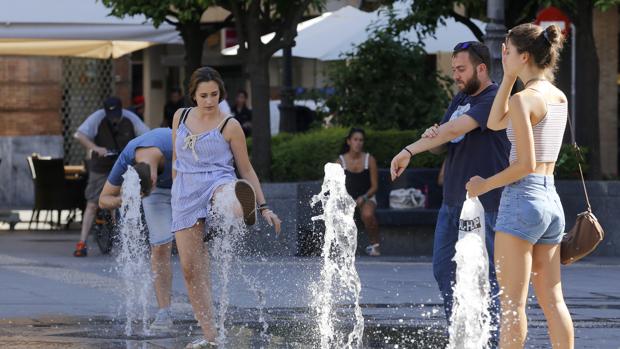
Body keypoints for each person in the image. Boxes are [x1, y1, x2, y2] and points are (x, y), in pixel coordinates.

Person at [390, 41, 510, 346]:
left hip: (487, 205)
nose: (455, 75)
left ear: (481, 68)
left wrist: (409, 149)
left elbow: (455, 130)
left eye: (461, 69)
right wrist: (434, 136)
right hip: (452, 203)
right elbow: (446, 138)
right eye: (453, 69)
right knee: (444, 270)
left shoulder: (494, 98)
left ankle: (491, 341)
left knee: (489, 279)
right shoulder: (460, 98)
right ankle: (461, 334)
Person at [466, 24, 572, 349]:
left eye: (507, 51)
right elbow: (496, 121)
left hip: (523, 199)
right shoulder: (558, 96)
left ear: (523, 55)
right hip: (551, 201)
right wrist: (510, 76)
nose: (503, 56)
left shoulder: (525, 100)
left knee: (512, 306)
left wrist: (485, 185)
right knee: (553, 300)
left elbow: (524, 164)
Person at [171, 66, 281, 348]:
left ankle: (241, 210)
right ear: (193, 95)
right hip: (185, 190)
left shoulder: (229, 125)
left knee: (228, 193)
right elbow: (176, 159)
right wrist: (173, 192)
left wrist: (265, 206)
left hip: (217, 181)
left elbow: (246, 167)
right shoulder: (180, 117)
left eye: (215, 95)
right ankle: (210, 336)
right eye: (204, 95)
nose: (210, 100)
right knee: (189, 270)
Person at [98, 127, 176, 332]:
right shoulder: (127, 157)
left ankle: (204, 310)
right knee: (159, 248)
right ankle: (164, 313)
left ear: (153, 178)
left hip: (186, 184)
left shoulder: (174, 145)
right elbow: (103, 200)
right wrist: (126, 199)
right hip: (157, 195)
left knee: (193, 249)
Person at [73, 96, 149, 257]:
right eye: (110, 115)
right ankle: (82, 242)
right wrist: (95, 148)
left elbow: (146, 135)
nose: (113, 119)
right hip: (101, 166)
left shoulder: (130, 118)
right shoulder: (98, 117)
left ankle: (122, 240)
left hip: (122, 166)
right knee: (92, 204)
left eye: (116, 115)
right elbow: (79, 135)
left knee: (120, 203)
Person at [335, 128, 381, 256]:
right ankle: (342, 248)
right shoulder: (340, 161)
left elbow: (374, 186)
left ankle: (375, 245)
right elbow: (336, 186)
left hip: (367, 197)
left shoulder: (369, 159)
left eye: (361, 140)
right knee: (337, 214)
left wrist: (364, 197)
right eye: (355, 139)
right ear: (349, 141)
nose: (358, 143)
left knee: (367, 215)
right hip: (346, 197)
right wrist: (345, 199)